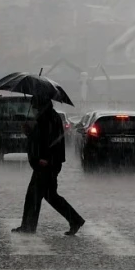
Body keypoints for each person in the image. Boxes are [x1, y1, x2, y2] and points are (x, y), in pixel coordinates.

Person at [12, 95, 85, 235]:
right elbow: (40, 139)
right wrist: (29, 132)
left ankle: (28, 226)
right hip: (48, 163)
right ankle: (75, 220)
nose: (33, 107)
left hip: (46, 164)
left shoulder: (48, 118)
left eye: (35, 104)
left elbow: (49, 141)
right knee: (50, 195)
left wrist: (44, 158)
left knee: (34, 195)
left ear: (40, 104)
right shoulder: (48, 116)